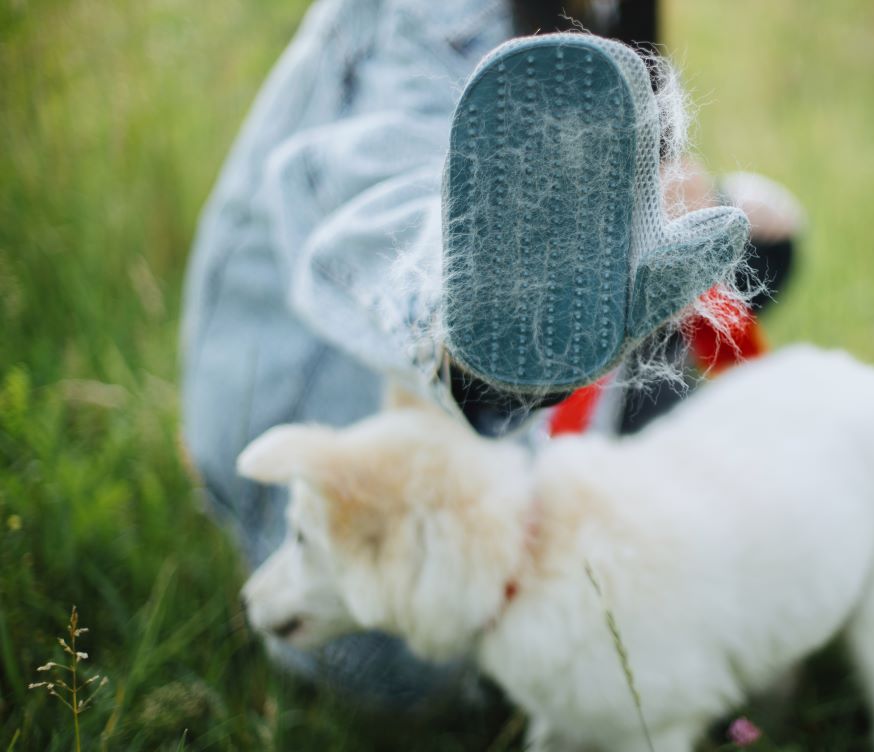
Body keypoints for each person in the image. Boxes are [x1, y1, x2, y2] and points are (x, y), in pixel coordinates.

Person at [181, 0, 803, 707]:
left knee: (760, 260)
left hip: (504, 453)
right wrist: (478, 323)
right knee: (404, 667)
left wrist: (688, 204)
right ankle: (495, 356)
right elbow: (381, 193)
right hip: (346, 481)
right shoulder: (434, 14)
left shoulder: (617, 16)